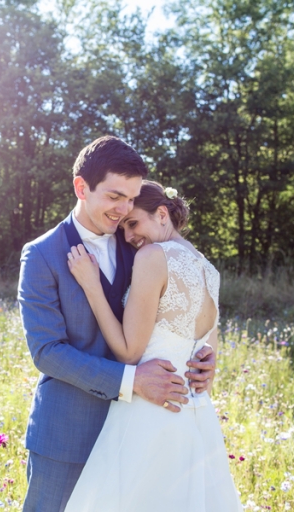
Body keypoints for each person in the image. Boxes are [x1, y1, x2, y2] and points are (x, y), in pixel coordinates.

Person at [17, 136, 216, 512]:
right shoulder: (42, 255)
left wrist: (206, 353)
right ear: (82, 187)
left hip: (140, 435)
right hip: (69, 436)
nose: (124, 209)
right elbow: (47, 352)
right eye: (114, 197)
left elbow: (187, 295)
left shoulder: (138, 243)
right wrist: (132, 381)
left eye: (131, 197)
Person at [63, 180, 243, 511]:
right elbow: (208, 356)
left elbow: (129, 352)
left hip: (150, 414)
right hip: (196, 419)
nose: (129, 236)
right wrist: (208, 369)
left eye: (133, 223)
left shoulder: (152, 256)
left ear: (162, 214)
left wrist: (91, 285)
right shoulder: (209, 268)